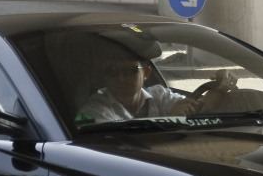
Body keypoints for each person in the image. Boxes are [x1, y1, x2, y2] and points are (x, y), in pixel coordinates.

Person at [76, 53, 235, 124]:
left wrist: (219, 88)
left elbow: (193, 107)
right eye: (112, 71)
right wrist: (169, 122)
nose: (121, 79)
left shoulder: (159, 95)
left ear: (146, 73)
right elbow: (115, 147)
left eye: (130, 71)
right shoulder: (92, 111)